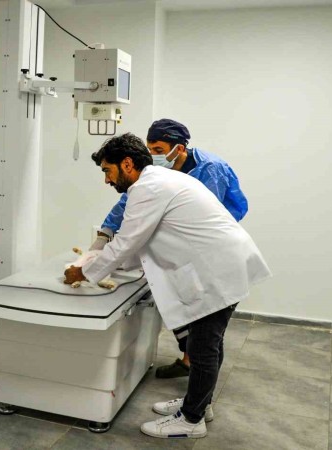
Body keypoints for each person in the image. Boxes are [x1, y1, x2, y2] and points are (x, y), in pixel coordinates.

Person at [65, 133, 270, 439]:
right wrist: (108, 263)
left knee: (203, 348)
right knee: (207, 344)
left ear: (127, 164)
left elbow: (127, 242)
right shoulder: (159, 180)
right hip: (220, 265)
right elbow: (140, 241)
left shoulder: (148, 188)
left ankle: (191, 420)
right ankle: (199, 402)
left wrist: (82, 272)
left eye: (107, 171)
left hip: (217, 272)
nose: (106, 179)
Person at [90, 118, 248, 380]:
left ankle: (194, 379)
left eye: (159, 150)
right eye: (150, 148)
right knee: (180, 304)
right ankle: (191, 363)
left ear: (179, 148)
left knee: (204, 326)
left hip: (208, 249)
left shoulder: (210, 169)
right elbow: (130, 199)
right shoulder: (154, 173)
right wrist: (105, 232)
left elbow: (205, 217)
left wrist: (92, 267)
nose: (153, 155)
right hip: (186, 250)